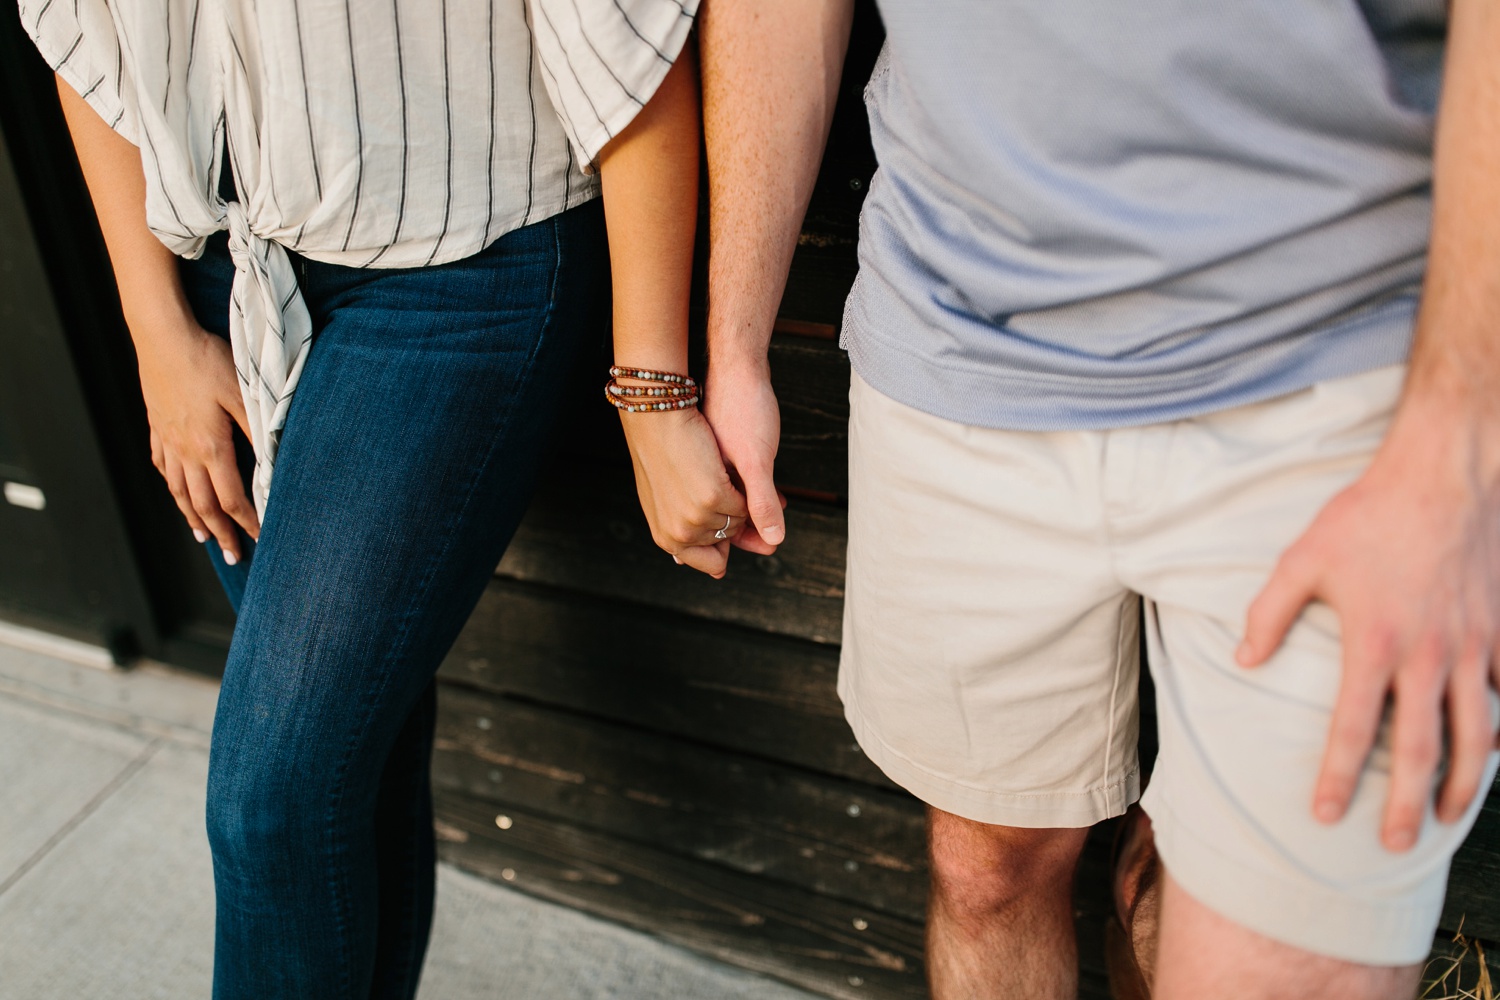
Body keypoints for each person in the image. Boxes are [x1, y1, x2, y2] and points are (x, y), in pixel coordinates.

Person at [696, 0, 1500, 997]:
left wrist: (1456, 447)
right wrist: (734, 341)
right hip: (959, 336)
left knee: (1274, 963)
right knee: (985, 871)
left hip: (1350, 359)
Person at [21, 0, 742, 994]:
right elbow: (88, 30)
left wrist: (653, 386)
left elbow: (627, 36)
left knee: (271, 799)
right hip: (213, 276)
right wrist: (157, 340)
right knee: (352, 757)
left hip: (459, 270)